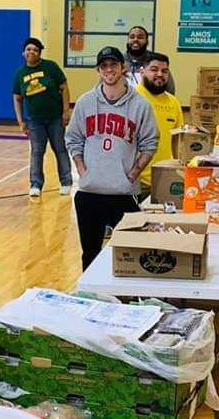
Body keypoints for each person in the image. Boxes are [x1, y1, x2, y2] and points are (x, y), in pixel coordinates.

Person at [64, 45, 158, 270]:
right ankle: (91, 298)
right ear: (98, 70)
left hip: (123, 194)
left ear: (122, 67)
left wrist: (133, 173)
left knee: (133, 254)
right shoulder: (86, 102)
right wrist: (82, 169)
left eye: (113, 64)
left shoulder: (140, 105)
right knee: (89, 254)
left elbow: (150, 142)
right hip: (89, 194)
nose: (108, 69)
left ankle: (127, 299)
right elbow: (73, 138)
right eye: (103, 66)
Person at [12, 36, 72, 199]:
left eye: (35, 50)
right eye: (28, 49)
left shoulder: (50, 67)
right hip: (34, 120)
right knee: (37, 151)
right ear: (23, 53)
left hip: (55, 118)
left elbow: (64, 87)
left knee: (59, 149)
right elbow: (17, 98)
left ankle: (66, 181)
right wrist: (20, 121)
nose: (31, 52)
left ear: (40, 53)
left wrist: (66, 111)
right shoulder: (20, 74)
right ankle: (35, 184)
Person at [134, 52, 182, 197]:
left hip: (165, 178)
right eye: (154, 69)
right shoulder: (131, 98)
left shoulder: (173, 102)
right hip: (136, 180)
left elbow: (177, 140)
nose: (160, 74)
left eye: (164, 71)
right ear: (142, 71)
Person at [124, 26, 175, 94]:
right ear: (127, 41)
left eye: (140, 37)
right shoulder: (119, 62)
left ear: (147, 42)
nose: (135, 39)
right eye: (132, 37)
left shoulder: (156, 62)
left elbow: (170, 90)